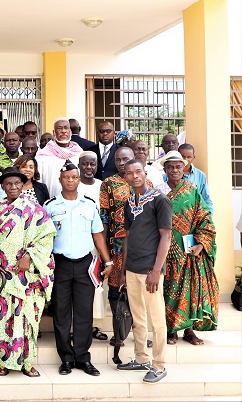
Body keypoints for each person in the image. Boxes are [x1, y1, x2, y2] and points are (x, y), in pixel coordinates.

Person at [43, 160, 112, 377]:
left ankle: (83, 358)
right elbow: (44, 238)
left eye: (74, 177)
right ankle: (66, 358)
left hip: (84, 264)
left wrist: (107, 261)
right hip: (60, 264)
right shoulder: (50, 205)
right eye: (66, 177)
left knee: (84, 314)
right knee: (61, 314)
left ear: (79, 180)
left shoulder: (89, 204)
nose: (70, 180)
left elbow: (98, 235)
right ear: (60, 180)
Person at [0, 167, 56, 378]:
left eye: (17, 183)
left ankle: (27, 362)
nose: (13, 187)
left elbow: (47, 237)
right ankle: (2, 362)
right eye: (8, 184)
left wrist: (30, 255)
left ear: (23, 185)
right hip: (3, 276)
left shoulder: (35, 210)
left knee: (28, 319)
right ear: (2, 186)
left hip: (28, 276)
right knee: (4, 320)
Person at [117, 159, 172, 384]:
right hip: (132, 269)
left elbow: (166, 236)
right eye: (129, 173)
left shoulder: (160, 200)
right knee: (138, 317)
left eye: (138, 171)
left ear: (144, 172)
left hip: (151, 270)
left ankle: (159, 365)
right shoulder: (129, 203)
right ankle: (141, 358)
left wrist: (155, 270)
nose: (134, 176)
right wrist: (123, 269)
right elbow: (128, 238)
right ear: (126, 178)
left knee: (156, 319)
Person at [155, 151, 219, 346]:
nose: (175, 170)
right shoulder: (158, 191)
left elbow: (204, 217)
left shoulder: (192, 189)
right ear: (165, 169)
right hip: (165, 250)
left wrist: (201, 244)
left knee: (190, 290)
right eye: (170, 167)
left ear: (184, 169)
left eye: (178, 167)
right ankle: (170, 330)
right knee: (168, 290)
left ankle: (189, 331)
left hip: (189, 250)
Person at [99, 146, 151, 343]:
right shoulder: (108, 184)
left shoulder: (147, 183)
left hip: (142, 246)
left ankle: (141, 333)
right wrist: (102, 245)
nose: (122, 163)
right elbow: (104, 216)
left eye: (126, 159)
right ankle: (119, 332)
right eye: (118, 160)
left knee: (139, 290)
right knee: (116, 288)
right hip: (116, 245)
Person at [77, 150, 107, 340]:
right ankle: (77, 326)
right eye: (85, 164)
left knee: (96, 284)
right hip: (78, 243)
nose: (89, 168)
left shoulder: (102, 186)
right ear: (79, 165)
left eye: (92, 164)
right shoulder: (72, 182)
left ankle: (94, 325)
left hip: (98, 242)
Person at [36, 119, 83, 197]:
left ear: (70, 132)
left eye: (66, 128)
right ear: (54, 132)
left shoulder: (79, 153)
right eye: (59, 128)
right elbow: (38, 182)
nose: (63, 131)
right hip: (50, 201)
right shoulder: (43, 155)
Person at [176, 144, 214, 214]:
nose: (186, 160)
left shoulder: (200, 175)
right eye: (183, 157)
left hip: (195, 217)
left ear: (194, 157)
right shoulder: (170, 175)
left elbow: (206, 199)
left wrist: (208, 217)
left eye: (189, 157)